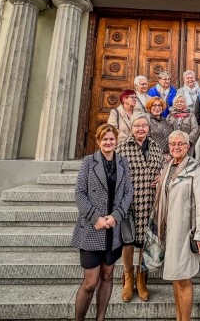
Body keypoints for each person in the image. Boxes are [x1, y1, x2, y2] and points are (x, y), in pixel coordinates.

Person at [72, 124, 133, 321]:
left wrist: (116, 216)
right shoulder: (89, 162)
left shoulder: (123, 162)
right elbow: (80, 193)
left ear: (116, 141)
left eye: (111, 139)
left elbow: (128, 192)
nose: (108, 142)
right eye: (104, 139)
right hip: (93, 227)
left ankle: (101, 318)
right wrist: (95, 218)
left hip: (112, 229)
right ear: (98, 141)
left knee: (107, 276)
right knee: (90, 282)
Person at [154, 130, 200, 321]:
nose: (176, 147)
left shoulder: (196, 168)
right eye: (172, 144)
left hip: (185, 230)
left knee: (184, 278)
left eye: (180, 144)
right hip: (169, 229)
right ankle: (179, 318)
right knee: (176, 277)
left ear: (188, 146)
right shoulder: (168, 166)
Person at [115, 113, 165, 302]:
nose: (141, 129)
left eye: (144, 125)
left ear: (148, 128)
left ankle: (141, 277)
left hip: (150, 202)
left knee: (145, 241)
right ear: (131, 127)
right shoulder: (121, 148)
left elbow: (163, 168)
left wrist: (161, 176)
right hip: (128, 203)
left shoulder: (155, 147)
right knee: (127, 243)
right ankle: (128, 277)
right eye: (137, 126)